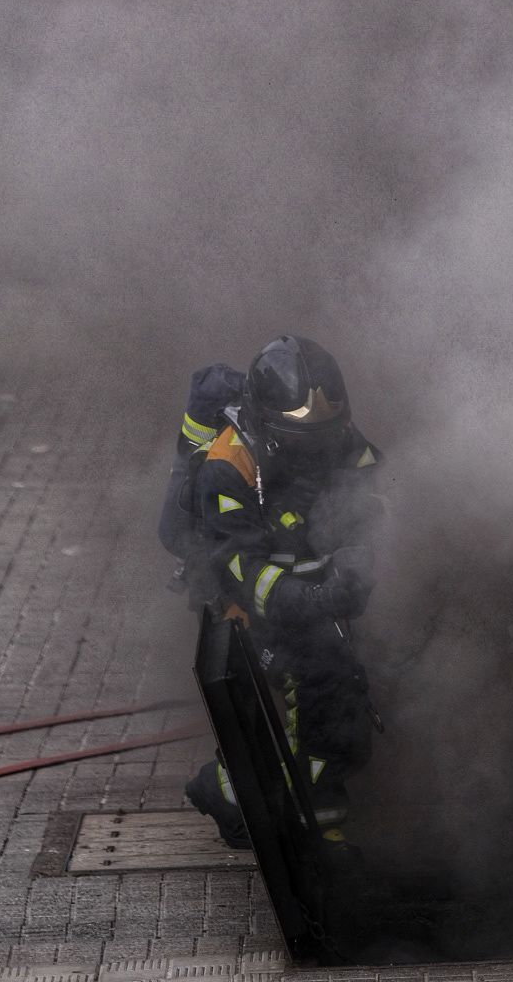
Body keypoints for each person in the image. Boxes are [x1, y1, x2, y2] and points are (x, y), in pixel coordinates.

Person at [171, 335, 383, 850]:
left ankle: (249, 792)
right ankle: (312, 827)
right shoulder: (229, 467)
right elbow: (243, 570)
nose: (317, 455)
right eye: (301, 443)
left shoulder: (339, 438)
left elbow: (372, 501)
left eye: (325, 440)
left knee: (359, 696)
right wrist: (313, 602)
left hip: (314, 589)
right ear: (267, 427)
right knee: (320, 685)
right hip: (244, 601)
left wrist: (359, 556)